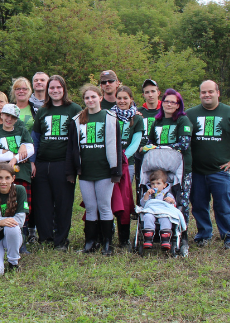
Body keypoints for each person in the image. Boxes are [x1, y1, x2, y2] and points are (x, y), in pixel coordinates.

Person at [186, 80, 230, 249]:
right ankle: (203, 235)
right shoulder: (190, 115)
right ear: (199, 94)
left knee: (223, 206)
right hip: (197, 171)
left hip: (220, 171)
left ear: (218, 93)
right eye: (203, 92)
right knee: (199, 206)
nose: (206, 95)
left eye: (210, 92)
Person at [66, 85, 123, 256]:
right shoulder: (78, 120)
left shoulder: (110, 118)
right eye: (86, 98)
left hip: (104, 170)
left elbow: (117, 146)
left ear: (100, 97)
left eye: (93, 97)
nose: (90, 101)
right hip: (86, 171)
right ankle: (90, 242)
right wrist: (71, 171)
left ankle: (107, 243)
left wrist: (116, 171)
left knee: (104, 206)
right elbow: (71, 148)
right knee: (90, 207)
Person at [30, 75, 82, 251]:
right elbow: (35, 138)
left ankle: (61, 239)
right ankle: (45, 237)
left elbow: (79, 139)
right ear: (47, 90)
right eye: (51, 88)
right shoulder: (43, 111)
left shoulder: (74, 109)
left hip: (63, 163)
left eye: (58, 87)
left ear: (64, 89)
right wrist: (32, 161)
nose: (55, 91)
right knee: (42, 202)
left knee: (63, 202)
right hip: (42, 163)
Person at [146, 88, 193, 254]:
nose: (169, 104)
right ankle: (157, 231)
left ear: (178, 105)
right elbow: (150, 142)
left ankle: (183, 235)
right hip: (159, 168)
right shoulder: (157, 122)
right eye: (167, 101)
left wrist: (159, 147)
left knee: (181, 201)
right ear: (162, 103)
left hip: (180, 168)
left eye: (174, 102)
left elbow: (183, 144)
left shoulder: (182, 121)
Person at [0, 104, 34, 254]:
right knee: (6, 205)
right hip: (4, 177)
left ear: (16, 119)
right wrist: (16, 156)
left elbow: (31, 150)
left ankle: (22, 240)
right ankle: (5, 238)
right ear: (1, 115)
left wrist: (7, 154)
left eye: (13, 117)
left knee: (22, 206)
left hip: (22, 175)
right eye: (6, 115)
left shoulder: (22, 130)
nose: (9, 119)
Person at [113, 86, 144, 248]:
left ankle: (124, 238)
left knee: (124, 200)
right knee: (109, 199)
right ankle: (106, 234)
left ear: (131, 99)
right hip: (109, 164)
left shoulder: (137, 119)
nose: (122, 101)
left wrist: (122, 158)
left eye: (125, 98)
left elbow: (136, 142)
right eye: (119, 98)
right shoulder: (109, 115)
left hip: (127, 164)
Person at [140, 170, 178, 250]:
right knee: (147, 216)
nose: (155, 186)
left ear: (164, 185)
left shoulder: (167, 194)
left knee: (166, 218)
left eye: (158, 183)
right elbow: (143, 204)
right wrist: (147, 195)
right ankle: (148, 237)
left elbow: (173, 206)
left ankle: (165, 238)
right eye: (153, 184)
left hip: (163, 212)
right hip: (151, 210)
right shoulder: (149, 193)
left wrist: (171, 201)